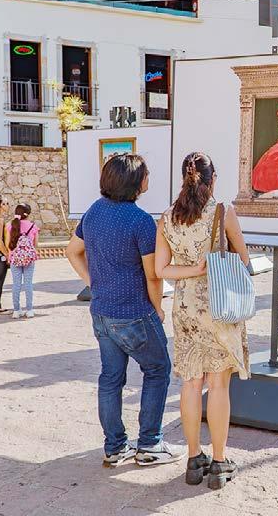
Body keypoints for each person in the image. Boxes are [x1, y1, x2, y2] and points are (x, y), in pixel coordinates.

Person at [65, 154, 184, 468]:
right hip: (134, 312)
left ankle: (115, 447)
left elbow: (72, 251)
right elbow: (153, 275)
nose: (148, 178)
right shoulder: (141, 221)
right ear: (136, 182)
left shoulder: (93, 212)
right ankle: (150, 444)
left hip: (101, 311)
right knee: (157, 370)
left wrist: (93, 281)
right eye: (146, 174)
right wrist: (158, 308)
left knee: (110, 378)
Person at [155, 152, 250, 490]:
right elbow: (244, 259)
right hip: (219, 308)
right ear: (213, 180)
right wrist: (208, 264)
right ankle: (220, 463)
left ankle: (194, 459)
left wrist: (192, 268)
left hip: (185, 310)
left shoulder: (167, 218)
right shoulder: (223, 212)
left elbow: (161, 270)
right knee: (219, 385)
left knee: (191, 383)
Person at [6, 203, 39, 319]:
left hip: (15, 258)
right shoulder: (33, 226)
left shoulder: (10, 225)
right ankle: (29, 310)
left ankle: (16, 310)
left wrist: (11, 255)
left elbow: (8, 244)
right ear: (28, 214)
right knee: (28, 283)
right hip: (29, 259)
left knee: (16, 284)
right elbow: (35, 244)